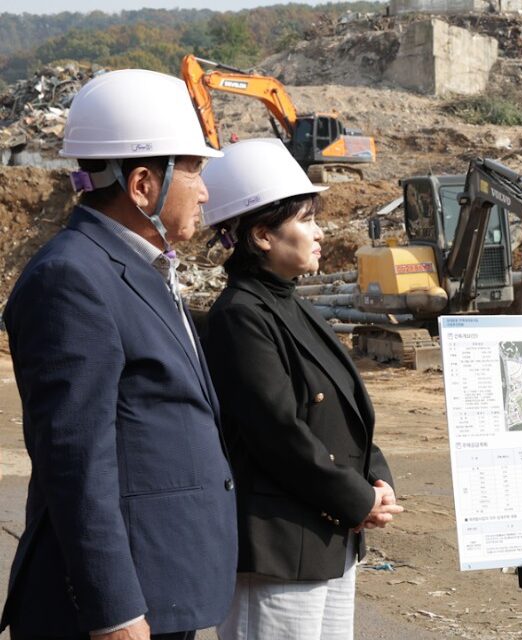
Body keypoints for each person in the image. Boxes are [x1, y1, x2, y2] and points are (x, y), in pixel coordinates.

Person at [1, 69, 236, 639]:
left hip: (161, 586)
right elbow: (77, 464)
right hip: (116, 611)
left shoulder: (137, 268)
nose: (206, 192)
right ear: (141, 185)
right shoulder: (71, 279)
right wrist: (115, 610)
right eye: (197, 171)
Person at [199, 139, 402, 640]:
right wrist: (357, 499)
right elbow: (278, 432)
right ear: (262, 235)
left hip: (328, 536)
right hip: (279, 548)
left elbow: (344, 410)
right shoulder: (240, 316)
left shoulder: (296, 306)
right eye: (306, 219)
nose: (319, 232)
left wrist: (376, 478)